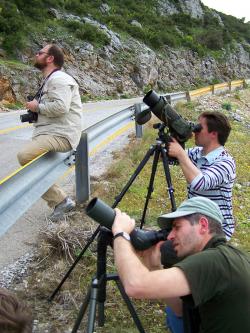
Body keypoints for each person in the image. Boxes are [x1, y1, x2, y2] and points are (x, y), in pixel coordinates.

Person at [111, 197, 250, 333]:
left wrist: (121, 234)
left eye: (177, 227)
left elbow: (135, 285)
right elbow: (179, 310)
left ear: (203, 225)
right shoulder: (228, 257)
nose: (170, 236)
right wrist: (154, 267)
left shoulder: (215, 260)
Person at [17, 44, 82, 221]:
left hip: (61, 135)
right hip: (52, 133)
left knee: (24, 156)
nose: (36, 54)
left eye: (40, 52)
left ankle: (60, 200)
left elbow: (61, 107)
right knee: (30, 161)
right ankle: (59, 200)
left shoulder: (59, 79)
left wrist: (37, 107)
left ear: (50, 58)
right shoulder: (50, 80)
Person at [168, 111, 236, 240]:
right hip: (196, 222)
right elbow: (165, 157)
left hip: (217, 229)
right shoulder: (197, 153)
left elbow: (200, 183)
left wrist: (180, 154)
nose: (195, 131)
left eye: (199, 128)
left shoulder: (226, 162)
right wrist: (169, 141)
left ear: (213, 134)